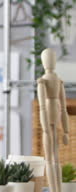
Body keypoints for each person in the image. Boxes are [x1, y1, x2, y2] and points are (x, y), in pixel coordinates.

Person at [37, 48, 70, 192]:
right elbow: (43, 107)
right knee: (51, 157)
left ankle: (57, 189)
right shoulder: (44, 81)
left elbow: (63, 108)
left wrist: (66, 131)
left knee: (53, 158)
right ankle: (54, 189)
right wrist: (46, 129)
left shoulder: (55, 81)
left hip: (53, 115)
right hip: (51, 116)